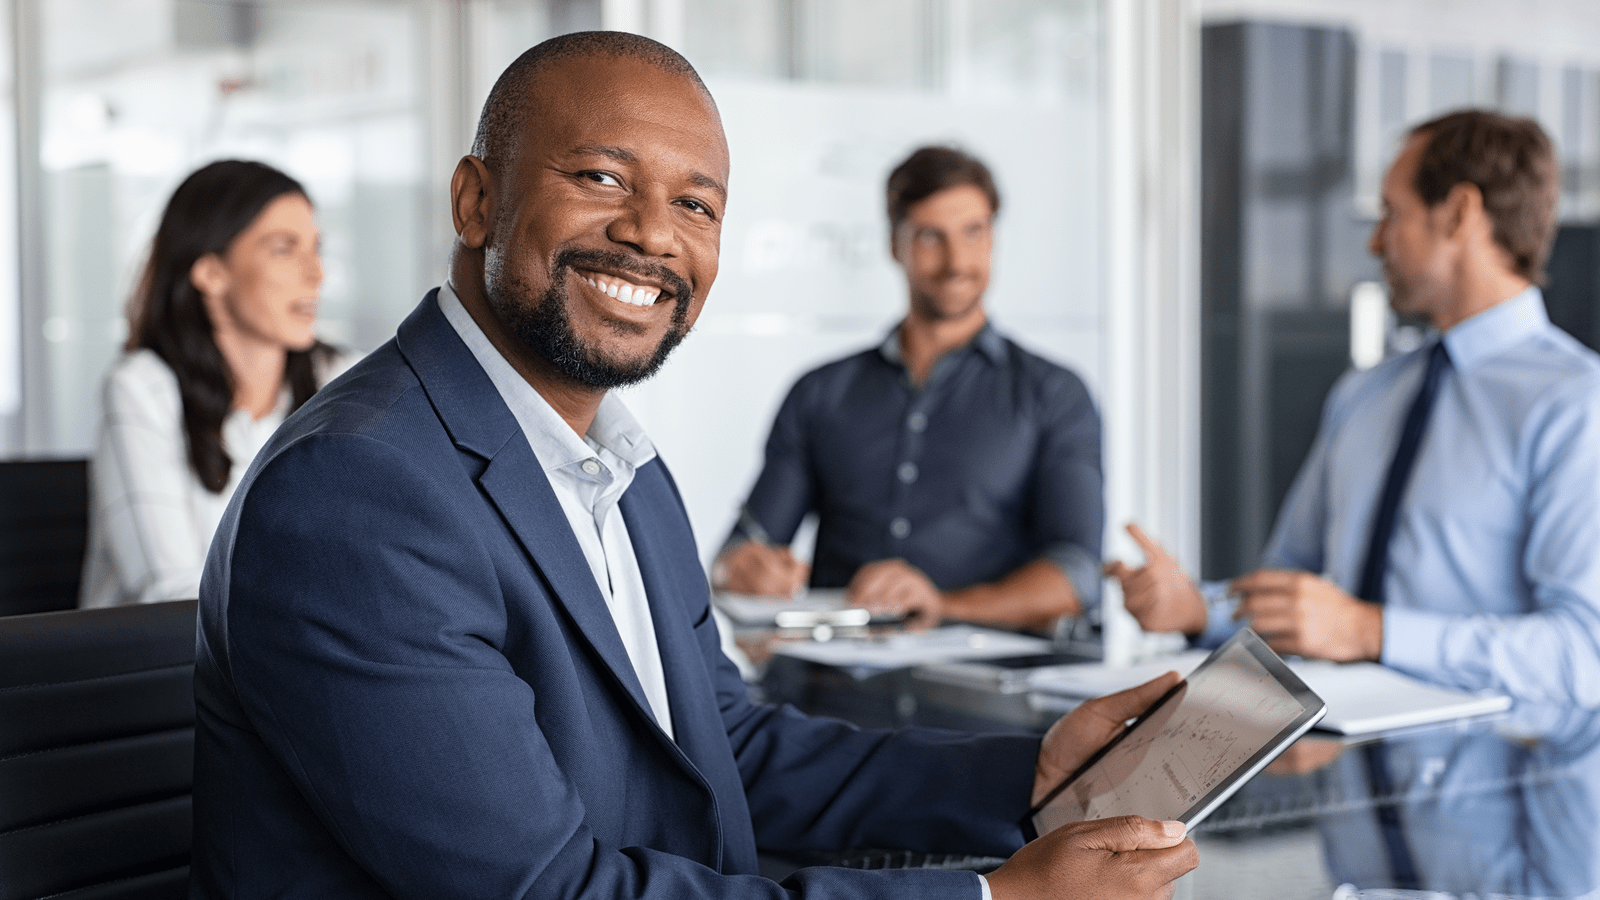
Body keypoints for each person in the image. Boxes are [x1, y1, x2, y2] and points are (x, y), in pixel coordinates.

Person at [191, 32, 1197, 900]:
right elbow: (545, 892)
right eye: (599, 178)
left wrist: (1029, 775)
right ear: (475, 198)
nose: (651, 235)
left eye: (696, 205)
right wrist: (990, 895)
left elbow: (728, 750)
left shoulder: (619, 469)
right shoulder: (362, 492)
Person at [1107, 109, 1600, 707]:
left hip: (1497, 782)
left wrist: (1370, 632)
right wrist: (1195, 609)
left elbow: (1583, 654)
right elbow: (1300, 596)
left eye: (1391, 213)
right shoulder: (1366, 395)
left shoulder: (1575, 403)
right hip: (1338, 767)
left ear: (1460, 213)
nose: (1373, 241)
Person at [713, 146, 1102, 634]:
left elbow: (1077, 575)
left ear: (993, 239)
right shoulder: (819, 393)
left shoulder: (1054, 395)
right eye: (930, 236)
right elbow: (740, 548)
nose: (956, 260)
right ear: (894, 244)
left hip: (985, 694)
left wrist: (943, 605)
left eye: (974, 232)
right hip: (832, 685)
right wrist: (741, 570)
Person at [79, 159, 343, 608]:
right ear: (211, 272)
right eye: (284, 248)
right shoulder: (142, 390)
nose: (316, 274)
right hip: (160, 671)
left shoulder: (344, 378)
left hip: (295, 665)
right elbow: (168, 596)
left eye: (316, 249)